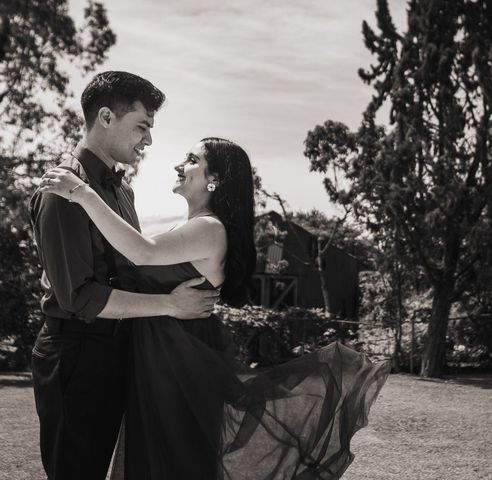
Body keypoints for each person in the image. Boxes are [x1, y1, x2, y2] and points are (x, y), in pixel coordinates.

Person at [40, 137, 391, 479]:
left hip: (178, 363)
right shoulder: (193, 227)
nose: (180, 164)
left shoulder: (209, 228)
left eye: (192, 160)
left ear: (215, 179)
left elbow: (141, 253)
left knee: (177, 461)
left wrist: (82, 194)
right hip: (165, 357)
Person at [30, 71, 220, 480]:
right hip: (76, 355)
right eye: (142, 126)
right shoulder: (61, 193)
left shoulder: (121, 191)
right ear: (105, 117)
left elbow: (135, 265)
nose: (148, 140)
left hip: (117, 350)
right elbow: (80, 298)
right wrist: (171, 305)